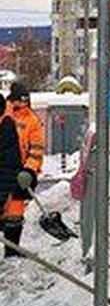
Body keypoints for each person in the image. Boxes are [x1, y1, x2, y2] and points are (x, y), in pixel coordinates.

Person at [3, 80, 46, 258]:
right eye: (20, 99)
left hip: (21, 174)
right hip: (3, 169)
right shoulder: (4, 113)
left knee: (14, 213)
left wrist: (29, 170)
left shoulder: (33, 121)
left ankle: (12, 253)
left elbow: (36, 150)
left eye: (26, 100)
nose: (23, 103)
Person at [0, 95, 21, 256]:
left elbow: (9, 165)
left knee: (13, 217)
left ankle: (11, 251)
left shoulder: (6, 126)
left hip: (6, 184)